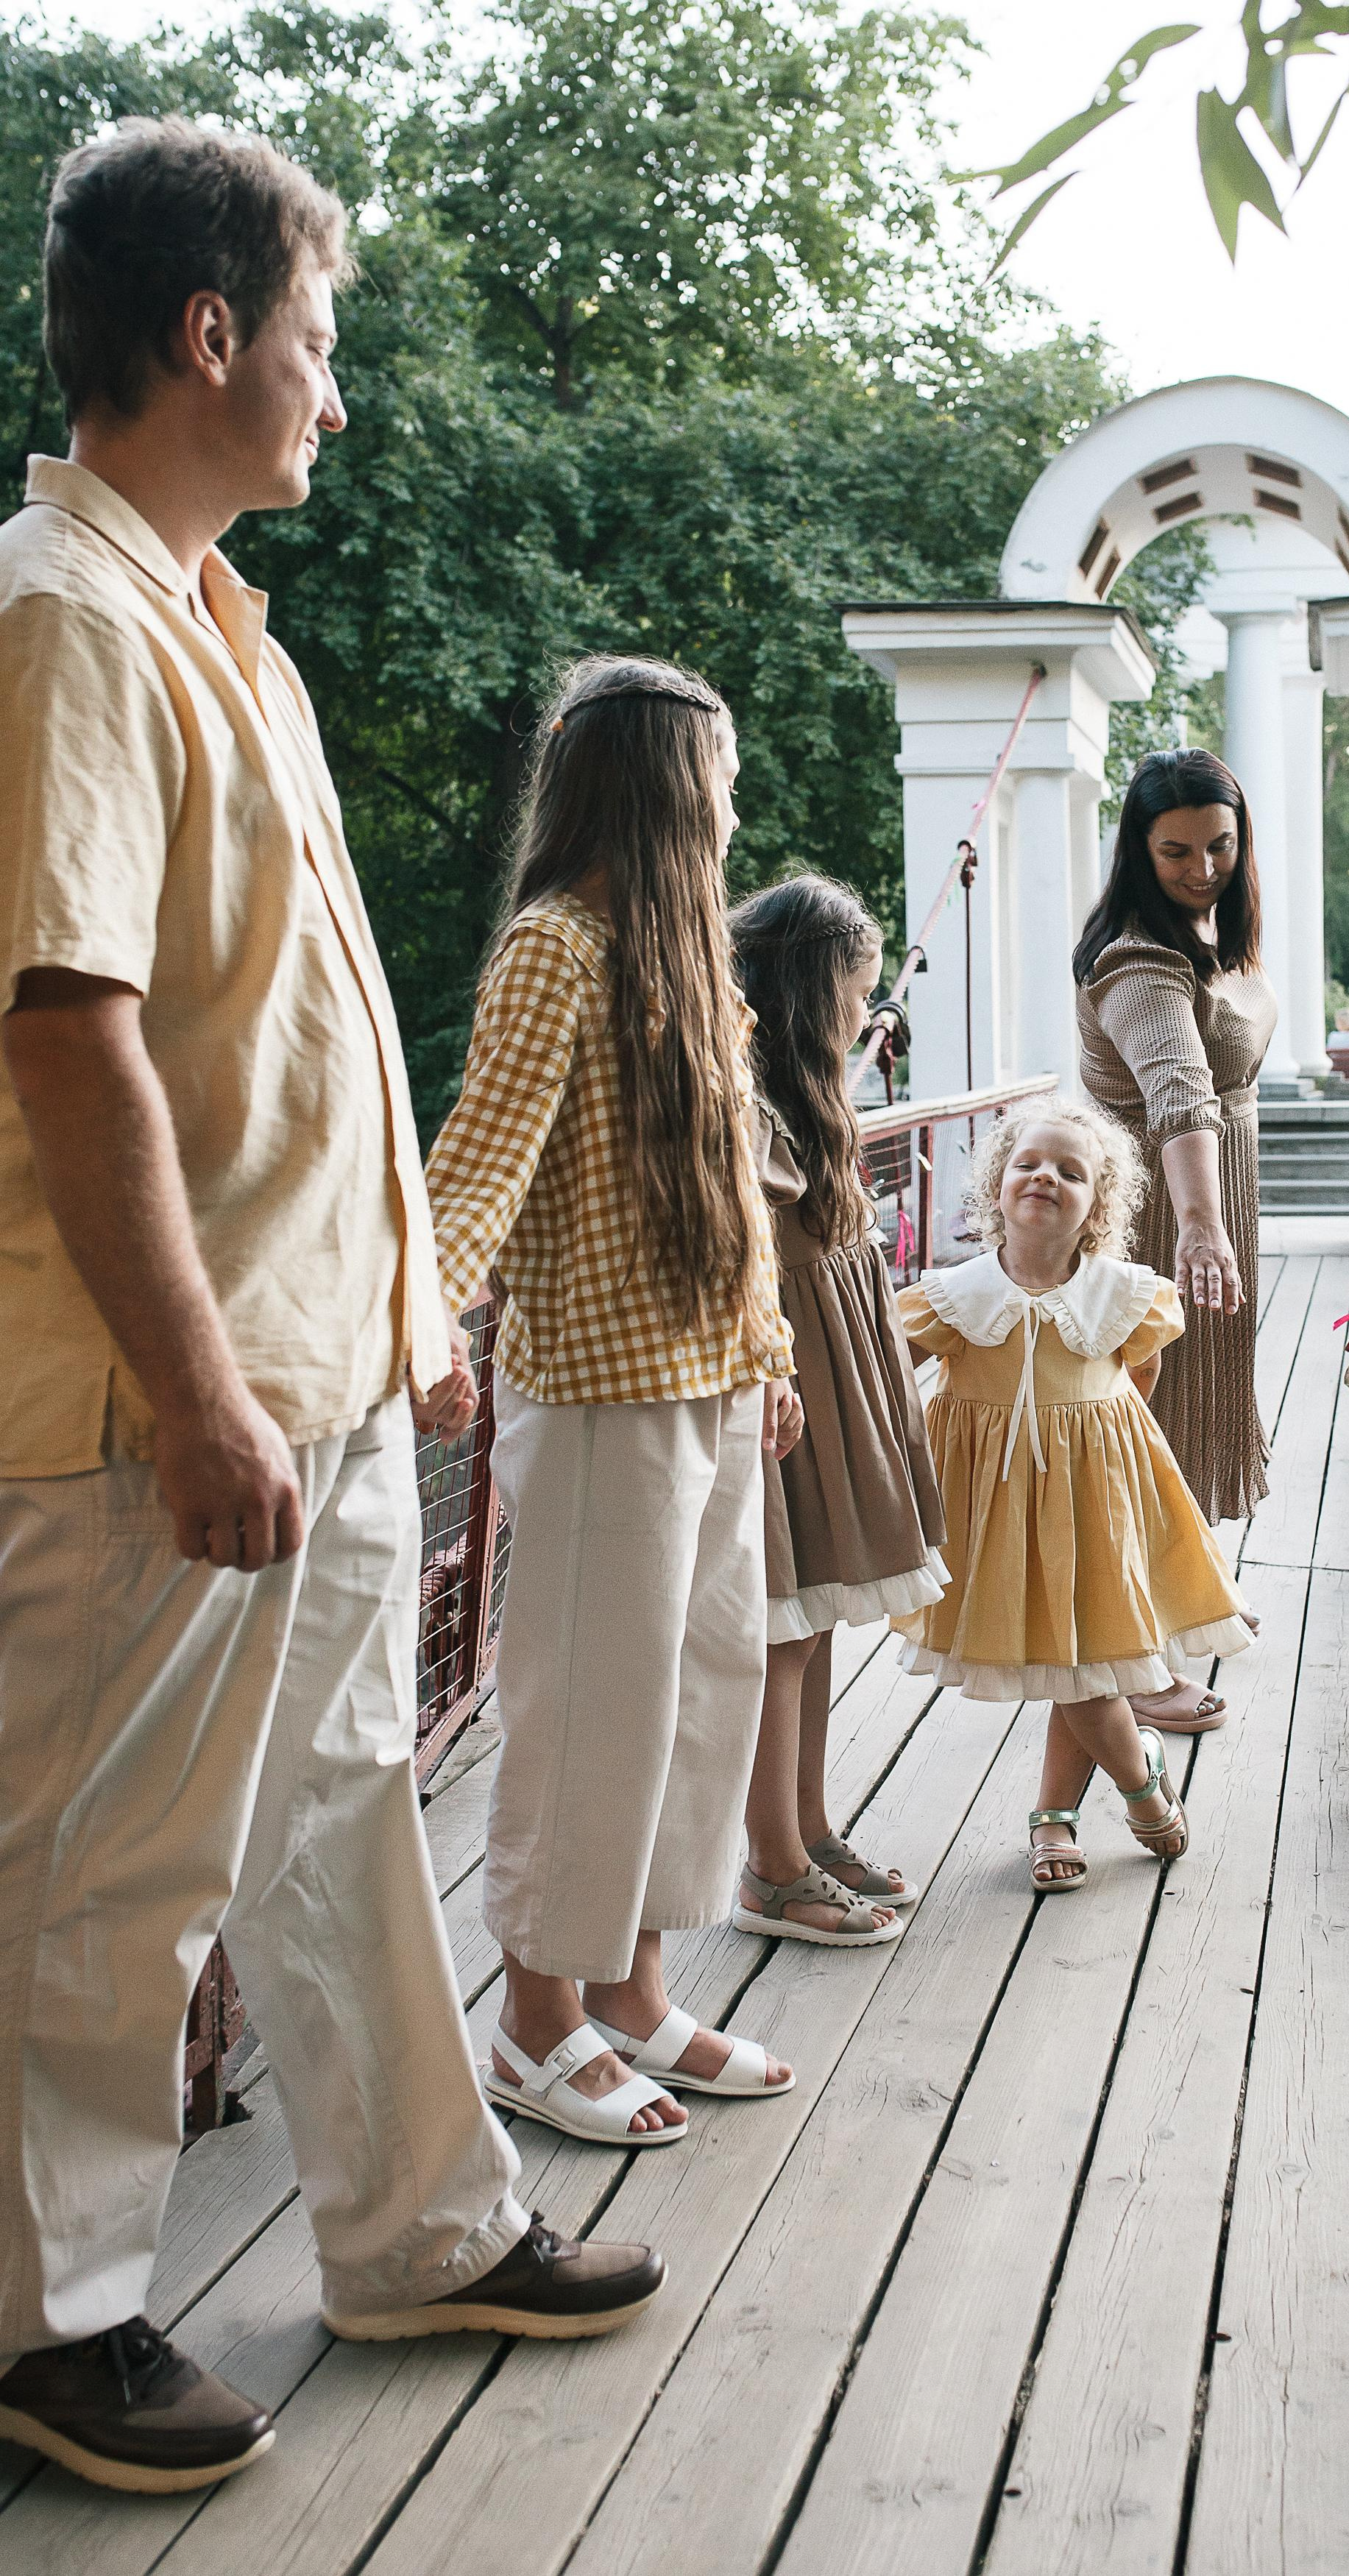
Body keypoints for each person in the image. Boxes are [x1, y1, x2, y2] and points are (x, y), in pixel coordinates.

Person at [0, 121, 661, 2499]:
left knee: (341, 1812)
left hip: (324, 1370)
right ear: (208, 337)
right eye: (321, 341)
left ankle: (414, 2224)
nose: (338, 399)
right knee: (105, 1868)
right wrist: (192, 1389)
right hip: (165, 1401)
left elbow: (273, 1033)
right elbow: (63, 1027)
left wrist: (402, 1311)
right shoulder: (63, 615)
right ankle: (49, 2322)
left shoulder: (213, 628)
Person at [426, 654, 801, 2150]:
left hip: (707, 1387)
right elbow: (481, 1159)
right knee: (589, 1709)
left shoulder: (688, 961)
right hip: (594, 1394)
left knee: (697, 1693)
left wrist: (768, 1352)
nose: (726, 805)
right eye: (711, 776)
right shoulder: (557, 949)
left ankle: (634, 1993)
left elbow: (732, 1197)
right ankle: (531, 2021)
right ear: (654, 784)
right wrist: (422, 1326)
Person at [891, 1100, 1253, 1890]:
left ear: (1098, 1206)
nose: (1044, 1177)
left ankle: (1059, 1812)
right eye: (1027, 1163)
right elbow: (887, 1375)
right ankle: (1139, 1775)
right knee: (1070, 1657)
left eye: (1069, 1170)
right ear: (996, 1185)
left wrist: (1094, 1442)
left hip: (1094, 1492)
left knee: (1081, 1654)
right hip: (997, 1505)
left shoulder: (1123, 1293)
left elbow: (1137, 1373)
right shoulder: (957, 1295)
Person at [728, 874, 947, 1946]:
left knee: (810, 1614)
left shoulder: (804, 1097)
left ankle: (807, 1829)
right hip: (790, 1381)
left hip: (831, 1364)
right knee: (781, 1620)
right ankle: (769, 1860)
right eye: (859, 992)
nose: (871, 1015)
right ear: (815, 993)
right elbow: (748, 1255)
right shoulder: (752, 1107)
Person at [1074, 748, 1276, 1593]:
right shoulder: (1135, 958)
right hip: (1163, 1213)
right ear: (1137, 850)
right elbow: (1179, 1094)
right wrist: (1200, 1226)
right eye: (1176, 852)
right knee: (1154, 1413)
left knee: (1195, 1398)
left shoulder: (1208, 932)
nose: (1203, 869)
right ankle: (1132, 1655)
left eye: (1219, 846)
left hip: (1213, 1205)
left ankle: (1182, 1599)